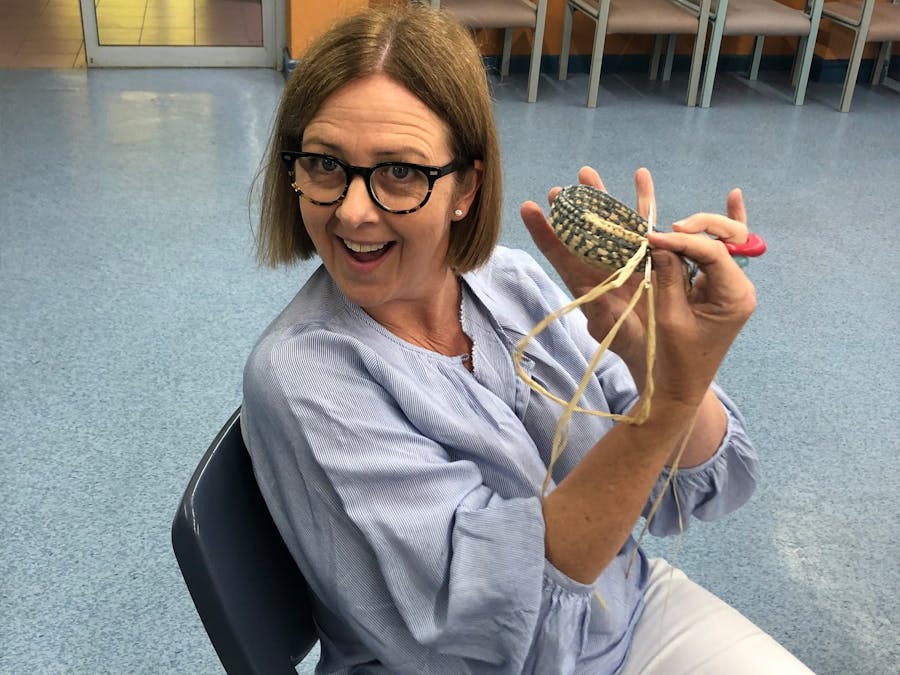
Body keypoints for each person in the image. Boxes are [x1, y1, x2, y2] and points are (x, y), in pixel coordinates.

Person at [241, 5, 812, 674]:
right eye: (324, 165)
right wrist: (670, 397)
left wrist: (647, 350)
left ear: (465, 187)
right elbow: (498, 633)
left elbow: (700, 490)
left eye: (401, 171)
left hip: (618, 610)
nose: (352, 210)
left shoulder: (507, 279)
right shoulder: (305, 377)